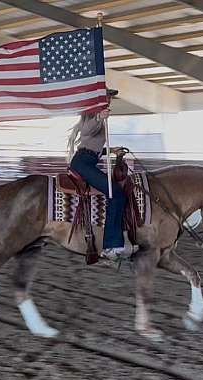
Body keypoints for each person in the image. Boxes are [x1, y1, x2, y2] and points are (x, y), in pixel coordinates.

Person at [67, 89, 133, 261]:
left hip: (87, 159)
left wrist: (110, 150)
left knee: (116, 193)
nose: (109, 99)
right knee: (117, 195)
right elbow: (86, 130)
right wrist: (98, 117)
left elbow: (92, 146)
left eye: (110, 97)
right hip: (82, 162)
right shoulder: (89, 114)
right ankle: (110, 246)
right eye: (107, 96)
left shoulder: (98, 117)